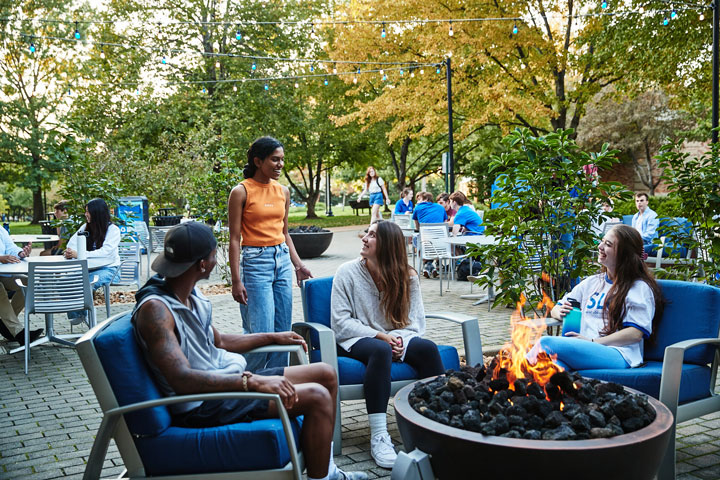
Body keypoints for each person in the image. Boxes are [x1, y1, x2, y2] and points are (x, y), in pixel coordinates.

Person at [133, 222, 366, 480]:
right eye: (213, 254)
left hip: (224, 385)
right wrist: (253, 381)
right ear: (202, 265)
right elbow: (182, 380)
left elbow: (219, 341)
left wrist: (272, 336)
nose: (216, 259)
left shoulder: (185, 293)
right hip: (204, 404)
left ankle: (327, 470)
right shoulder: (156, 310)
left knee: (325, 373)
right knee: (317, 395)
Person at [331, 220, 444, 469]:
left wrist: (400, 340)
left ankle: (438, 425)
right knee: (381, 350)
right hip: (355, 339)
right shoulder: (346, 272)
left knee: (427, 348)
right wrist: (382, 336)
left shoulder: (407, 277)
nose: (364, 238)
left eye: (372, 235)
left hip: (396, 338)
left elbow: (416, 322)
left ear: (388, 246)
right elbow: (340, 322)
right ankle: (380, 436)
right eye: (367, 233)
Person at [228, 136, 313, 372]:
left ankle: (276, 384)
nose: (280, 165)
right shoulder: (241, 191)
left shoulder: (283, 191)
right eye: (274, 160)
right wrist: (236, 280)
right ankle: (248, 382)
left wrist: (297, 265)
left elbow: (285, 233)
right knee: (261, 332)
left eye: (282, 160)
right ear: (258, 161)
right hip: (255, 263)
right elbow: (234, 239)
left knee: (283, 330)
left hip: (282, 260)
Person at [537, 224, 664, 371]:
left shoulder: (638, 288)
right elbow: (556, 307)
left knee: (546, 342)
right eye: (602, 241)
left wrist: (593, 342)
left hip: (619, 354)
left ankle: (508, 375)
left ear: (624, 254)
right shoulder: (592, 282)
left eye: (608, 244)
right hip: (585, 349)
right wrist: (559, 311)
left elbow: (635, 334)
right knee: (553, 369)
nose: (600, 246)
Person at [64, 198, 121, 325]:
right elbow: (71, 244)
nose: (85, 214)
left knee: (87, 282)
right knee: (65, 281)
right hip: (89, 269)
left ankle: (88, 318)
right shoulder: (85, 227)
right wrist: (69, 252)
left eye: (88, 211)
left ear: (97, 213)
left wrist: (81, 254)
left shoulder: (113, 230)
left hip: (110, 269)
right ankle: (80, 313)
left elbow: (106, 252)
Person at [0, 227, 42, 345]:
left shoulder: (0, 230)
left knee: (29, 282)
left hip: (3, 273)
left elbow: (10, 247)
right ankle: (19, 333)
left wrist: (21, 253)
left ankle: (6, 325)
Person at [411, 192, 448, 278]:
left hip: (425, 242)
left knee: (416, 242)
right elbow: (444, 223)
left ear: (426, 199)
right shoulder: (440, 207)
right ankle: (430, 266)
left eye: (420, 199)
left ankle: (427, 265)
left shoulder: (418, 208)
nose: (418, 202)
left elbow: (417, 227)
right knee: (430, 243)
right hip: (441, 244)